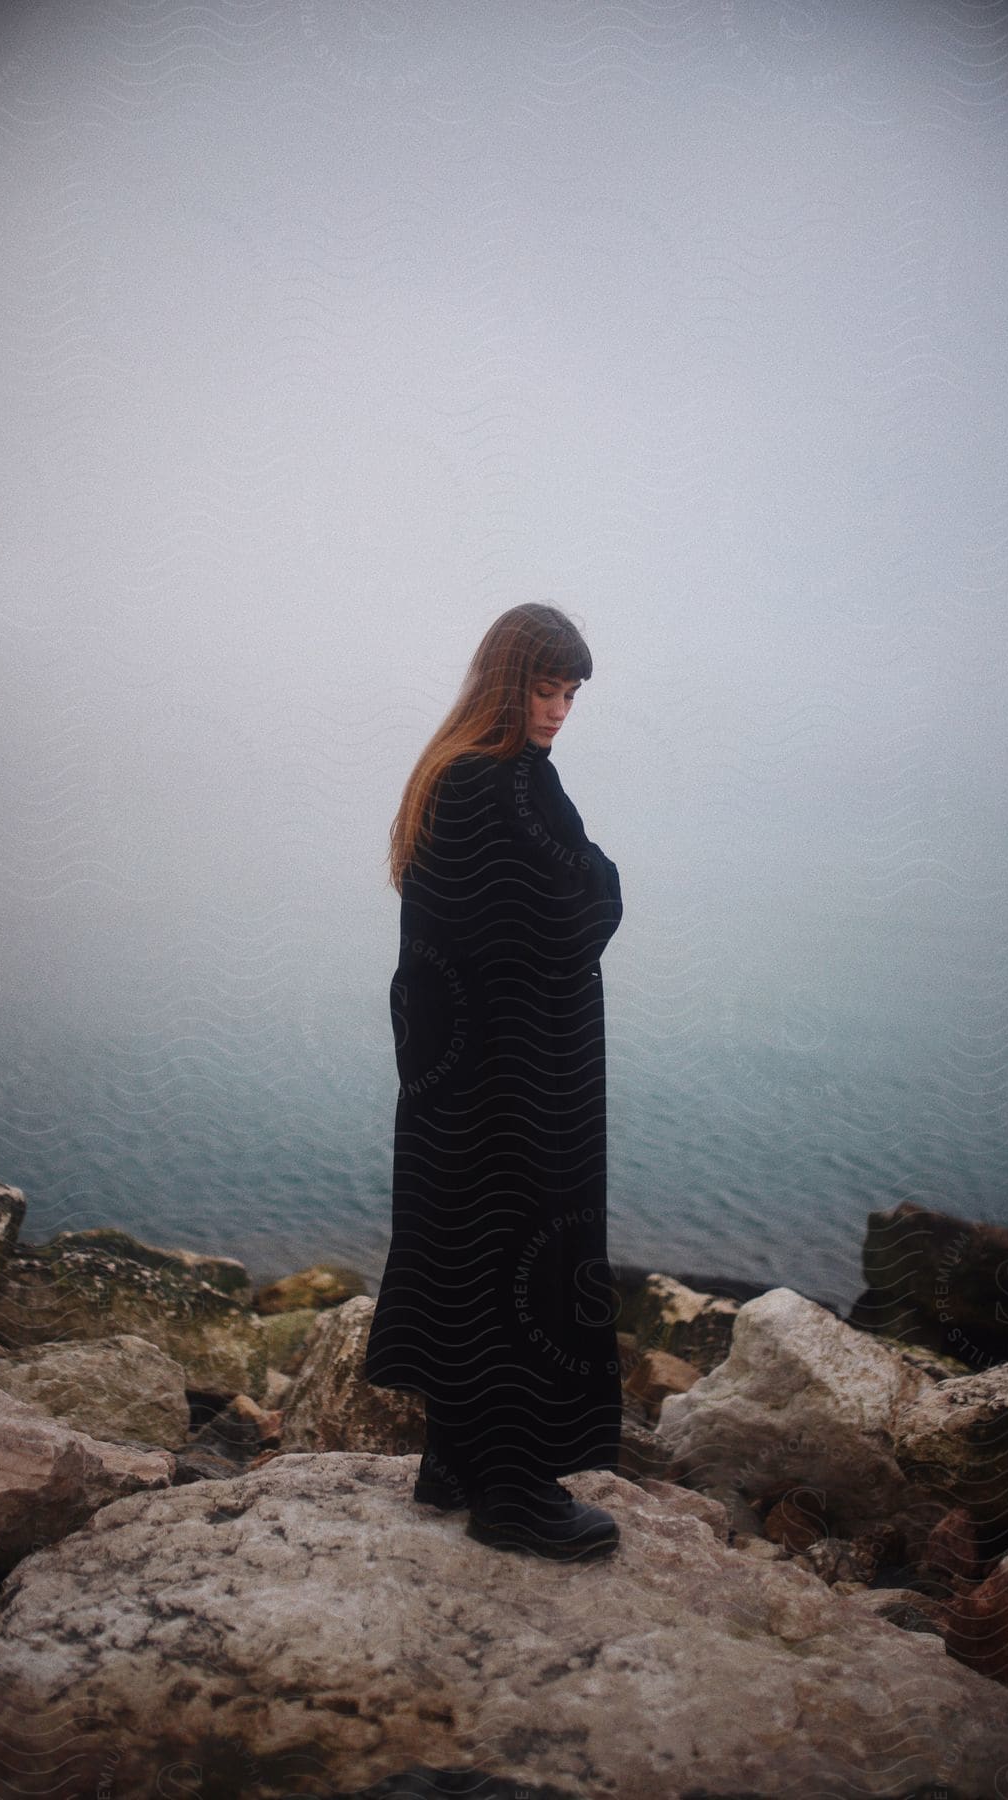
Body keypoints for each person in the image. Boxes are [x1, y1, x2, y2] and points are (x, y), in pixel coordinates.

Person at [363, 603, 625, 1560]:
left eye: (569, 693)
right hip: (520, 1080)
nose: (557, 710)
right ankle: (515, 1494)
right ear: (504, 686)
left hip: (454, 1077)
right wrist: (607, 878)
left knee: (470, 1257)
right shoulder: (508, 784)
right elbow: (578, 909)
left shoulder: (449, 775)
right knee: (528, 1264)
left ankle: (454, 1462)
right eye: (543, 689)